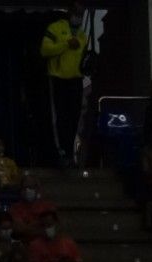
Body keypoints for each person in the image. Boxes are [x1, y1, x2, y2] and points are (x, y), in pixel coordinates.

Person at [41, 1, 90, 166]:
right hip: (58, 79)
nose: (79, 16)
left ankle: (70, 153)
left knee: (74, 117)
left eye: (82, 13)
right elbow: (45, 50)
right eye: (77, 12)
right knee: (60, 117)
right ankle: (59, 152)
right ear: (70, 11)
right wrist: (66, 44)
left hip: (76, 80)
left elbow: (83, 59)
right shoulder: (55, 28)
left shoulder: (82, 35)